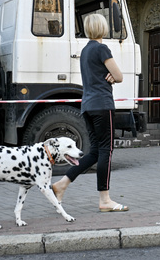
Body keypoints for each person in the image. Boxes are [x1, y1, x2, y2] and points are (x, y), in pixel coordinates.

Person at [52, 13, 129, 212]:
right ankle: (105, 200)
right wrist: (113, 77)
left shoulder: (85, 51)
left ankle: (62, 184)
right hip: (102, 105)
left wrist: (109, 76)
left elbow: (97, 74)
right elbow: (119, 76)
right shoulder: (102, 48)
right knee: (106, 150)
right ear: (102, 28)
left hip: (87, 105)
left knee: (95, 151)